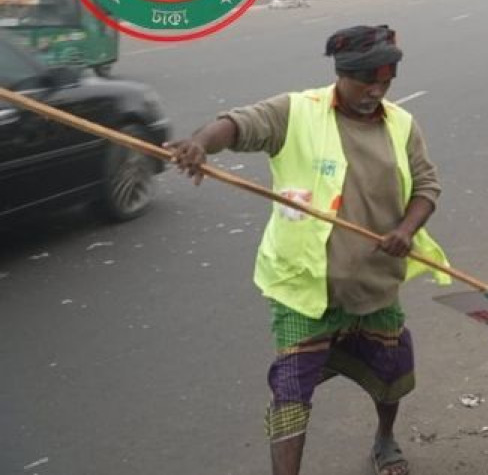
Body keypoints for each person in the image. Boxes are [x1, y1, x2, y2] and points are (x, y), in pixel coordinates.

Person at [165, 25, 450, 475]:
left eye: (386, 82)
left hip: (374, 285)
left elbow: (427, 186)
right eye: (365, 82)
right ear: (341, 74)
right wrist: (201, 143)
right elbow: (237, 124)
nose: (376, 91)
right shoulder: (297, 112)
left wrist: (406, 230)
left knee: (392, 377)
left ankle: (384, 437)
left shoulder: (402, 124)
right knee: (291, 392)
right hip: (303, 289)